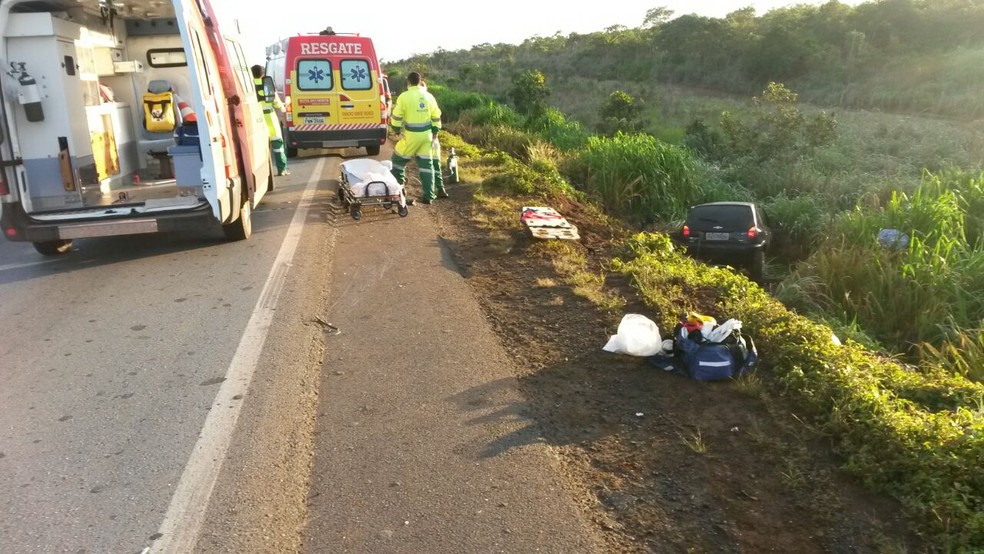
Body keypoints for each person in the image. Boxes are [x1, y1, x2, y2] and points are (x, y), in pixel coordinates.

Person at [389, 72, 446, 204]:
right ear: (420, 81)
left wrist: (396, 130)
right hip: (427, 136)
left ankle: (399, 191)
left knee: (397, 162)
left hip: (411, 136)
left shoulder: (404, 97)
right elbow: (436, 116)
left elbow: (396, 117)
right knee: (427, 165)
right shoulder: (429, 96)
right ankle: (429, 196)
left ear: (408, 82)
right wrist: (435, 132)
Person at [251, 65, 289, 176]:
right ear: (263, 74)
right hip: (269, 119)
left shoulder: (248, 85)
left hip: (254, 120)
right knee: (278, 145)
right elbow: (276, 102)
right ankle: (282, 169)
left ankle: (260, 173)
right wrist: (283, 107)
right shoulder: (267, 84)